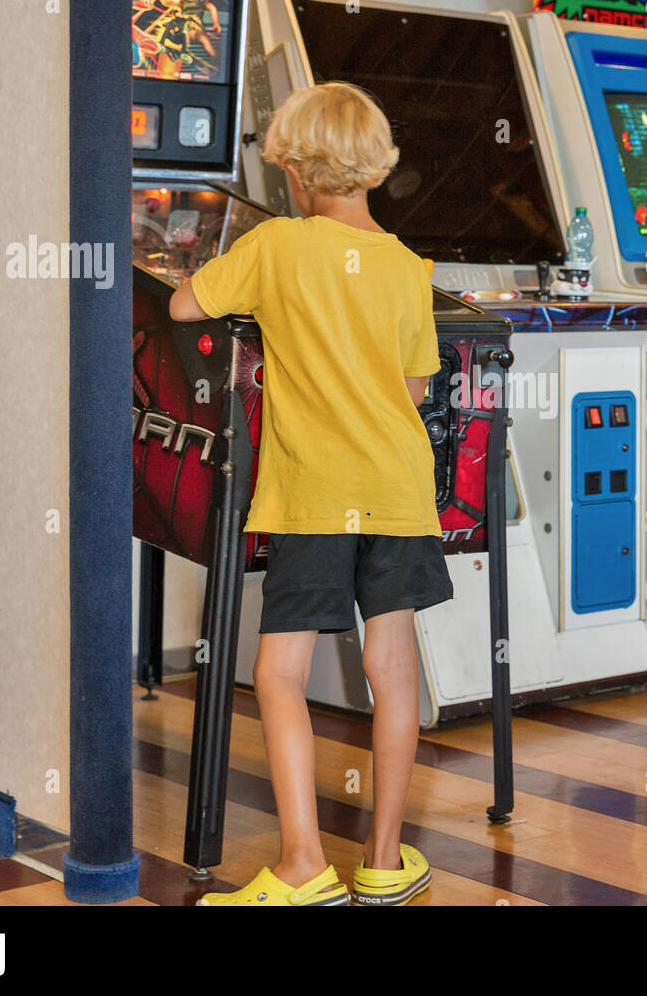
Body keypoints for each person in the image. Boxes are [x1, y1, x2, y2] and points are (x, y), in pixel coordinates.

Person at [169, 82, 452, 905]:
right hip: (396, 492)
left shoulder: (278, 248)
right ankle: (387, 860)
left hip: (315, 495)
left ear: (296, 172)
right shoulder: (408, 268)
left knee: (281, 673)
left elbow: (187, 305)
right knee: (392, 672)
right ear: (374, 166)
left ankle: (302, 864)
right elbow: (412, 392)